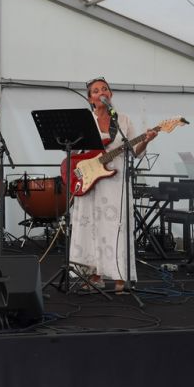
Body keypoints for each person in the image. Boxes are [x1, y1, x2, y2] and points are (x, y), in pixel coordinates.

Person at [69, 76, 158, 293]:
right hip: (90, 180)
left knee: (115, 227)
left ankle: (119, 276)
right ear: (90, 99)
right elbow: (73, 151)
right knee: (90, 227)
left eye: (105, 89)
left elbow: (135, 152)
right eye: (96, 90)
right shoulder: (85, 120)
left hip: (115, 183)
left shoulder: (123, 120)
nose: (102, 92)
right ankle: (94, 275)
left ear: (111, 94)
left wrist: (146, 140)